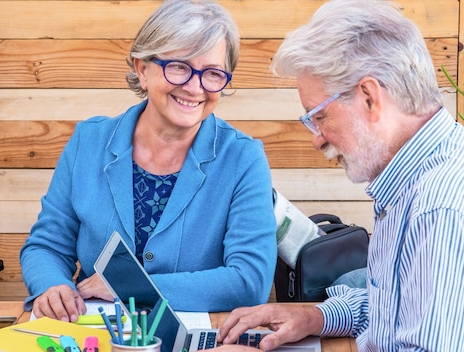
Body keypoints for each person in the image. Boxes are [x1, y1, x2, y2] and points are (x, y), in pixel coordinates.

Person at [177, 0, 464, 352]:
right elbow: (415, 302)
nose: (316, 137)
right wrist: (318, 315)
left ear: (369, 97)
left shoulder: (445, 205)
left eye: (319, 116)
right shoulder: (424, 169)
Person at [20, 0, 277, 322]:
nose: (195, 87)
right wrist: (51, 285)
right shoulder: (89, 141)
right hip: (91, 333)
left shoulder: (243, 157)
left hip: (196, 344)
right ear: (142, 69)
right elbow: (46, 246)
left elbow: (248, 281)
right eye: (179, 67)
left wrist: (132, 286)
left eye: (212, 73)